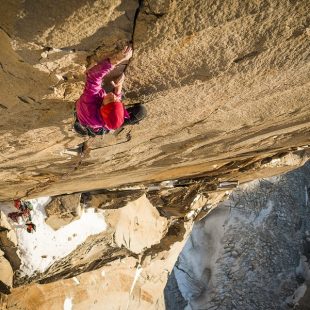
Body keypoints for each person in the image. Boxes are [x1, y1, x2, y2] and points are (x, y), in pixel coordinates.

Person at [74, 45, 146, 136]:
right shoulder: (107, 110)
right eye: (116, 100)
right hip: (96, 121)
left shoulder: (89, 101)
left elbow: (92, 76)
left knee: (118, 122)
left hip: (89, 117)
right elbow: (115, 102)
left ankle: (111, 127)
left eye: (111, 100)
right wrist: (118, 87)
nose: (113, 96)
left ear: (101, 107)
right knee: (141, 111)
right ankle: (115, 125)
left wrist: (117, 59)